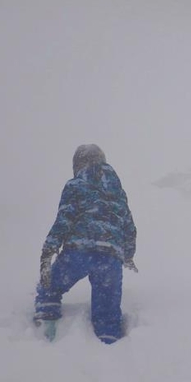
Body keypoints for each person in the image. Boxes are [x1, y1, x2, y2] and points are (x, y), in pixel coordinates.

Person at [34, 144, 138, 344]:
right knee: (107, 309)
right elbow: (129, 226)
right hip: (110, 259)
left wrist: (48, 250)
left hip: (78, 252)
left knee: (50, 286)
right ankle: (108, 340)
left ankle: (45, 326)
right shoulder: (118, 192)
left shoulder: (75, 185)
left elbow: (63, 220)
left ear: (77, 164)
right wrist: (128, 254)